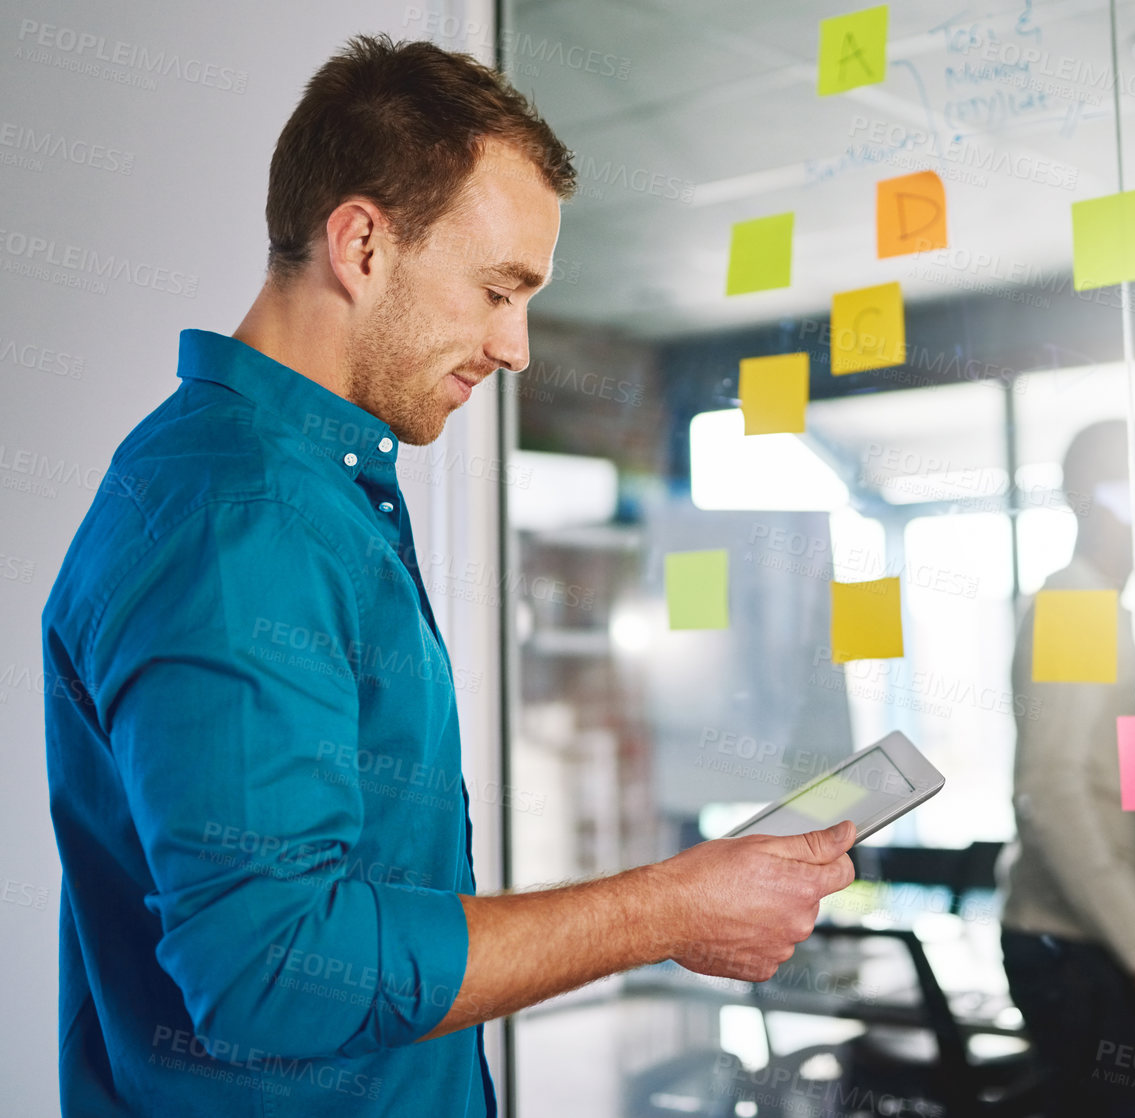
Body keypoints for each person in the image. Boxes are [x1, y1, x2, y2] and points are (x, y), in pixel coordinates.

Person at [40, 35, 855, 1118]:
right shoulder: (239, 522)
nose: (514, 345)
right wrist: (666, 910)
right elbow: (271, 968)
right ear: (363, 244)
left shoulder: (305, 490)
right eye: (495, 289)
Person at [1000, 419, 1135, 1116]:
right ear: (1110, 499)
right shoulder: (1075, 606)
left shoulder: (1108, 614)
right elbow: (1050, 791)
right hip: (1079, 952)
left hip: (1101, 946)